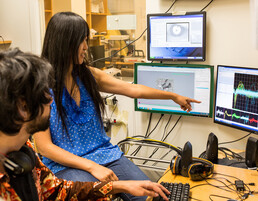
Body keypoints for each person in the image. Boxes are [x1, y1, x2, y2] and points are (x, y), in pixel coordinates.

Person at [34, 12, 201, 201]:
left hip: (106, 155)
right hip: (66, 165)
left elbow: (134, 90)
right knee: (99, 197)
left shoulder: (88, 76)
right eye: (82, 41)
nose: (86, 48)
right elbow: (44, 147)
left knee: (153, 195)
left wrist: (172, 96)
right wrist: (92, 167)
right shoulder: (40, 87)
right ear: (66, 43)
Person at [0, 48, 169, 201]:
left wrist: (122, 186)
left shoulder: (25, 152)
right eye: (44, 94)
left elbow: (57, 190)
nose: (51, 99)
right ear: (23, 107)